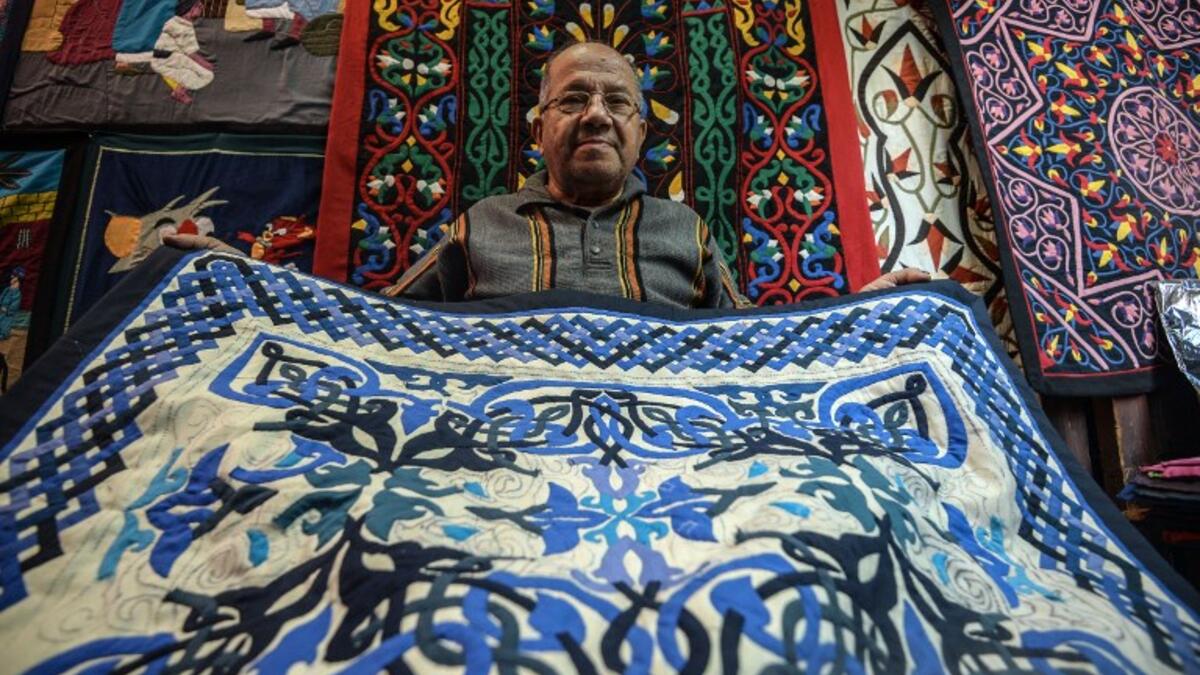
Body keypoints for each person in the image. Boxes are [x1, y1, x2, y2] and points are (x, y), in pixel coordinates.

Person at [167, 42, 926, 303]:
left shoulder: (685, 232)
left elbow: (759, 352)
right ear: (539, 127)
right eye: (573, 99)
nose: (595, 114)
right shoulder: (482, 222)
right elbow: (376, 325)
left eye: (616, 102)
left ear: (639, 130)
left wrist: (859, 315)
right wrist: (252, 280)